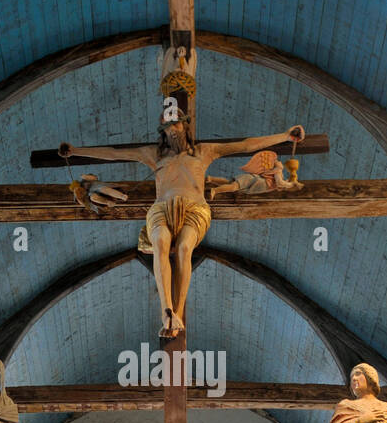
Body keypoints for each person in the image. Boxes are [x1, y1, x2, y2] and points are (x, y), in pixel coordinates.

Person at [59, 118, 304, 338]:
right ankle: (166, 311)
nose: (173, 133)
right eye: (168, 130)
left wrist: (284, 135)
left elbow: (247, 144)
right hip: (162, 208)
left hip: (196, 208)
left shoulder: (205, 151)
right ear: (163, 136)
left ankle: (177, 311)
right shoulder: (153, 155)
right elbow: (114, 153)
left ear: (186, 129)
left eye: (176, 127)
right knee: (160, 244)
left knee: (186, 247)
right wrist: (77, 151)